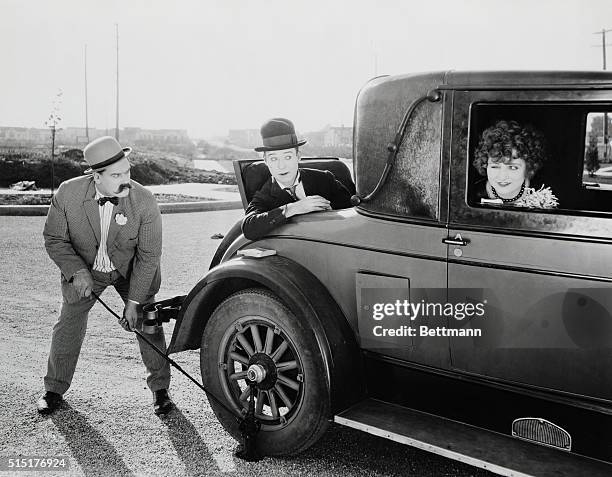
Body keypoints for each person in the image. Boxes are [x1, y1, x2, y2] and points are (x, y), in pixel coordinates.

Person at [38, 136, 173, 416]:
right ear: (95, 177)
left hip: (131, 271)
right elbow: (54, 239)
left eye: (127, 172)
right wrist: (76, 271)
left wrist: (135, 302)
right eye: (116, 175)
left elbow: (149, 257)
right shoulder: (68, 194)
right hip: (86, 270)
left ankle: (161, 391)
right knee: (68, 323)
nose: (126, 180)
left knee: (149, 323)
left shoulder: (145, 200)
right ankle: (53, 389)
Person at [242, 118, 353, 240]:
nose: (281, 166)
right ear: (266, 161)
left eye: (288, 157)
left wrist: (331, 211)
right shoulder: (264, 195)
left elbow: (354, 210)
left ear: (298, 156)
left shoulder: (324, 179)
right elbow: (249, 228)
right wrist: (294, 208)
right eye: (273, 159)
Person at [472, 120, 558, 208]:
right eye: (495, 166)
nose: (502, 177)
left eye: (513, 167)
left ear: (528, 166)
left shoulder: (544, 195)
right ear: (485, 165)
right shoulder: (472, 195)